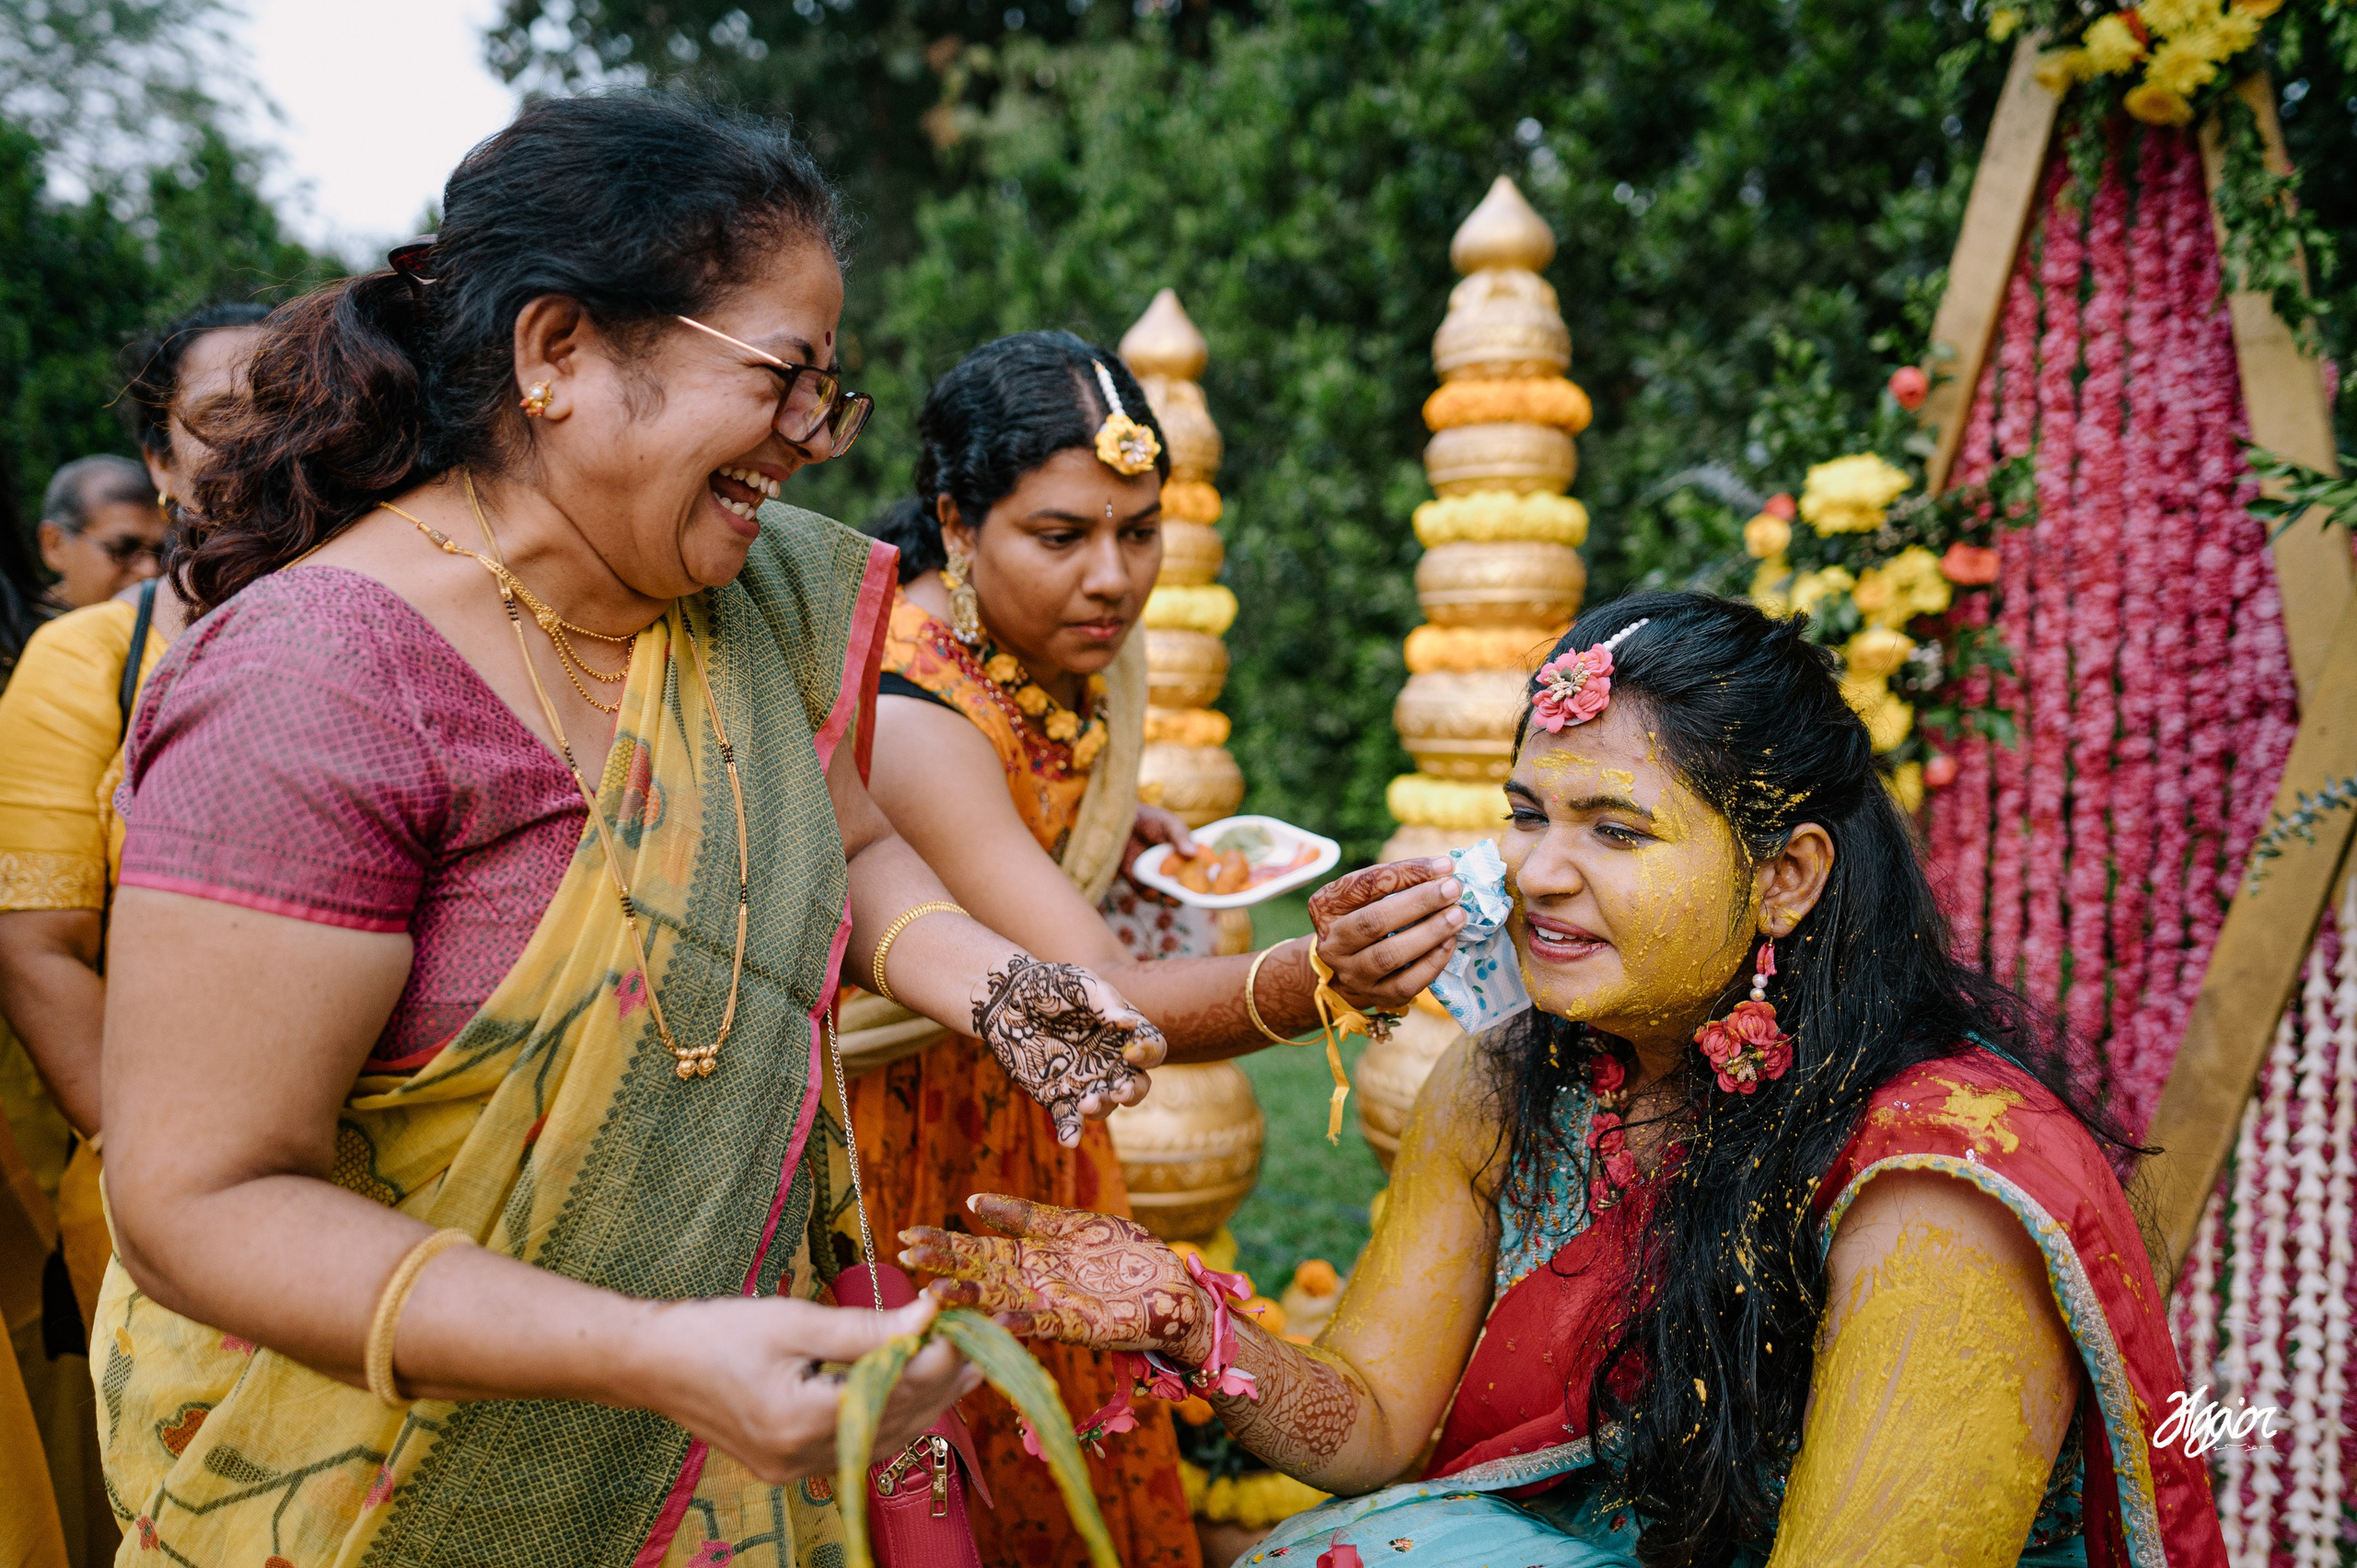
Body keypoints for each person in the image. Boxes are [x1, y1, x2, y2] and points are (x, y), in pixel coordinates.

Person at [94, 92, 1169, 1568]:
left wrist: (994, 986)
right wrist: (642, 1350)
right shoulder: (312, 684)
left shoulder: (751, 602)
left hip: (714, 1484)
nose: (810, 440)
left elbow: (848, 850)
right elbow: (197, 1197)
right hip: (369, 1494)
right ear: (558, 353)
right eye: (782, 378)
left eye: (828, 391)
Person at [906, 591, 2230, 1566]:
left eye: (1615, 828)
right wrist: (1195, 1326)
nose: (1537, 872)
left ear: (1786, 875)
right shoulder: (1506, 1086)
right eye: (1529, 812)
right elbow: (1369, 1421)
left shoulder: (1932, 1188)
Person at [854, 329, 1465, 1568]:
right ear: (958, 522)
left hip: (1024, 1106)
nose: (1114, 579)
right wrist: (1319, 980)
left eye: (1141, 530)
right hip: (911, 1138)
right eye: (1064, 533)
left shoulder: (1041, 647)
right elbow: (1099, 997)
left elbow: (1034, 822)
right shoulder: (915, 706)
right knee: (955, 1446)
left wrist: (1106, 833)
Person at [0, 301, 269, 1568]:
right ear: (159, 462)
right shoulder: (82, 662)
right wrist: (163, 1168)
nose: (259, 443)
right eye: (218, 421)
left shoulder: (420, 619)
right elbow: (38, 944)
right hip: (154, 1194)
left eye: (295, 411)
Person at [33, 456, 160, 610]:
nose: (150, 571)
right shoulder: (21, 631)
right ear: (55, 545)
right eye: (122, 550)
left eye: (161, 553)